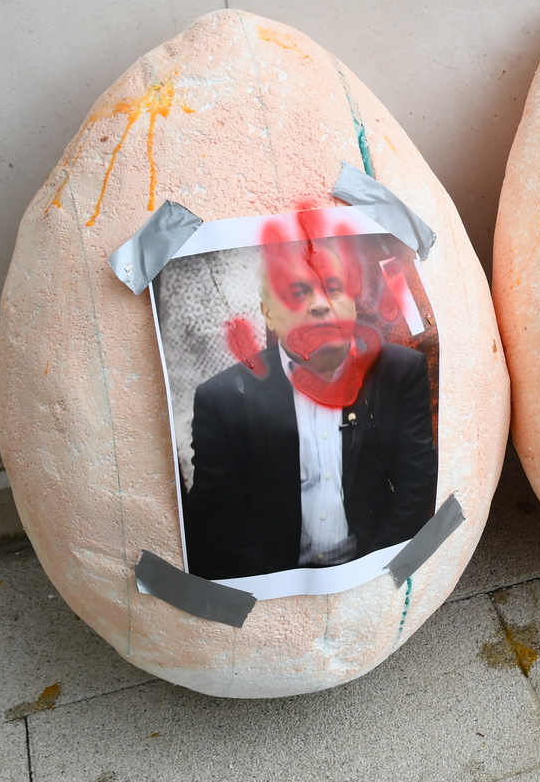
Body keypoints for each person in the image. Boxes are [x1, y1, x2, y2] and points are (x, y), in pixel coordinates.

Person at [182, 237, 436, 581]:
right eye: (297, 292)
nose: (319, 304)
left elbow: (415, 485)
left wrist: (375, 579)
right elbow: (220, 519)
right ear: (268, 314)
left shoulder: (399, 372)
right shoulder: (221, 398)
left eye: (332, 288)